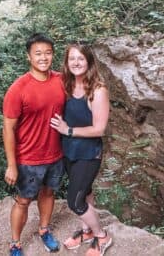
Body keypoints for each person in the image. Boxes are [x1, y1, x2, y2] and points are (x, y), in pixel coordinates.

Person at [3, 33, 66, 255]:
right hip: (28, 158)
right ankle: (15, 243)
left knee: (48, 193)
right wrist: (11, 164)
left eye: (48, 53)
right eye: (38, 53)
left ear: (53, 55)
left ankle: (44, 230)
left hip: (55, 154)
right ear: (28, 57)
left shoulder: (61, 80)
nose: (43, 57)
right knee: (23, 200)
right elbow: (8, 128)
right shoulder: (18, 88)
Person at [49, 43, 113, 256]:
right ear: (67, 63)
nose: (76, 63)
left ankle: (101, 235)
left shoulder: (97, 90)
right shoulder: (66, 85)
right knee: (85, 192)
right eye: (72, 59)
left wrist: (68, 131)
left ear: (89, 61)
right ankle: (86, 231)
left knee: (75, 202)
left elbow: (99, 129)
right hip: (69, 152)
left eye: (81, 59)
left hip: (88, 153)